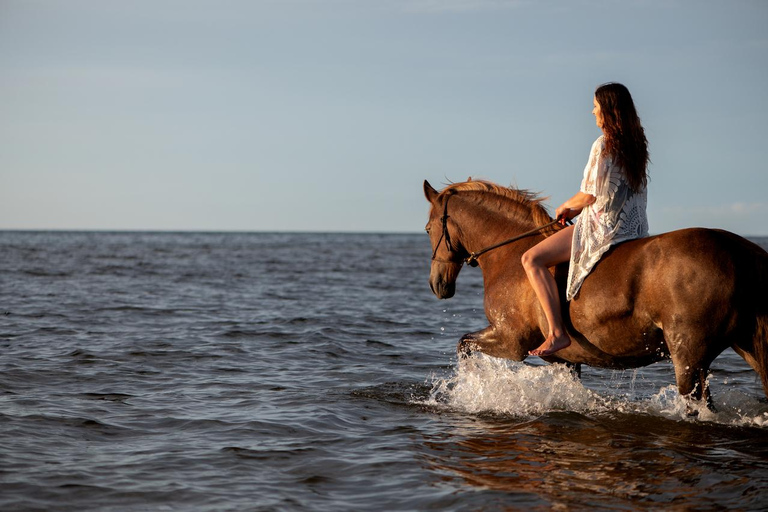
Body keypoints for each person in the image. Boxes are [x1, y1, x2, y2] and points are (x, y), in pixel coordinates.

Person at [521, 82, 650, 357]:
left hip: (604, 227)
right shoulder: (637, 143)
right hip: (635, 228)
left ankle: (556, 333)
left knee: (531, 259)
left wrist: (566, 207)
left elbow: (590, 195)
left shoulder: (603, 144)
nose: (592, 111)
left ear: (608, 109)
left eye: (596, 106)